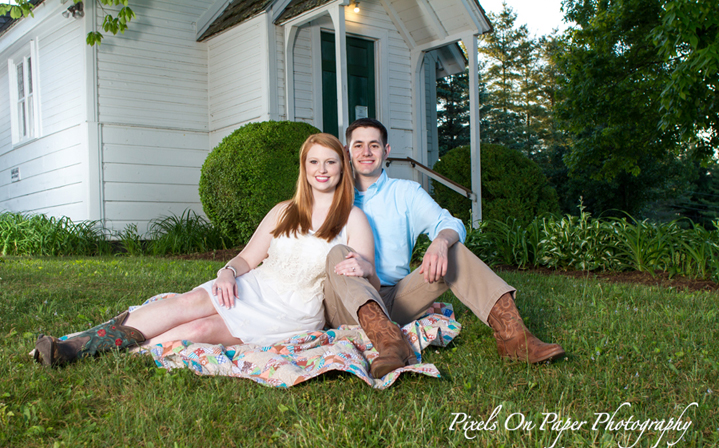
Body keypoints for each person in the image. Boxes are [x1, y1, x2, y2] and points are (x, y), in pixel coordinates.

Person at [34, 133, 415, 378]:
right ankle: (75, 347)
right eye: (313, 162)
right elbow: (247, 257)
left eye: (330, 162)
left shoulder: (353, 218)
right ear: (304, 168)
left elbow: (367, 283)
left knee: (198, 331)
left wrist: (365, 264)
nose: (322, 169)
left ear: (342, 167)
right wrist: (228, 273)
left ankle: (125, 356)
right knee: (187, 303)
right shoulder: (284, 210)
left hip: (292, 308)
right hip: (254, 285)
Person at [324, 118, 565, 364]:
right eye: (358, 145)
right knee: (338, 253)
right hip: (346, 301)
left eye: (374, 145)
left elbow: (451, 224)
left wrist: (440, 242)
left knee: (453, 250)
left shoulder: (406, 193)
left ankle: (514, 337)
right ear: (347, 151)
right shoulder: (330, 195)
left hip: (394, 299)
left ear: (386, 151)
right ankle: (390, 344)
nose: (366, 152)